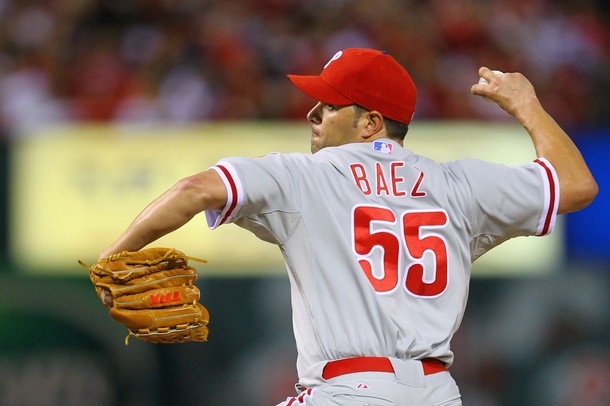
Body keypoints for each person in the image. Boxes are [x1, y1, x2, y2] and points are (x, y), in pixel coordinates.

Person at [97, 48, 598, 405]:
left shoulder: (307, 177)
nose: (313, 112)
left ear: (371, 123)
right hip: (437, 393)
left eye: (331, 104)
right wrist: (527, 105)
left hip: (347, 390)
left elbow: (194, 189)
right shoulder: (459, 185)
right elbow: (576, 185)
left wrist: (113, 257)